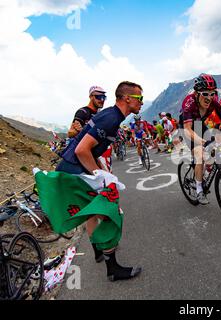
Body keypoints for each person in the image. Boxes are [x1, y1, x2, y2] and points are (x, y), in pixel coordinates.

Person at [55, 81, 144, 281]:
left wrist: (105, 172)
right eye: (140, 98)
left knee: (95, 212)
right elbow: (81, 149)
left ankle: (99, 251)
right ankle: (112, 268)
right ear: (127, 98)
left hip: (71, 169)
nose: (142, 103)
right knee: (111, 212)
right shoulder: (111, 118)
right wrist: (100, 175)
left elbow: (90, 149)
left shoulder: (111, 115)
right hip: (74, 169)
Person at [182, 74, 221, 205]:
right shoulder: (189, 102)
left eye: (212, 93)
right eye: (205, 93)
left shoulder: (215, 101)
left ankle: (204, 170)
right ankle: (199, 189)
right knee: (200, 154)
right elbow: (188, 129)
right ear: (196, 93)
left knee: (212, 152)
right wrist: (202, 142)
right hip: (187, 127)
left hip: (200, 125)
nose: (209, 98)